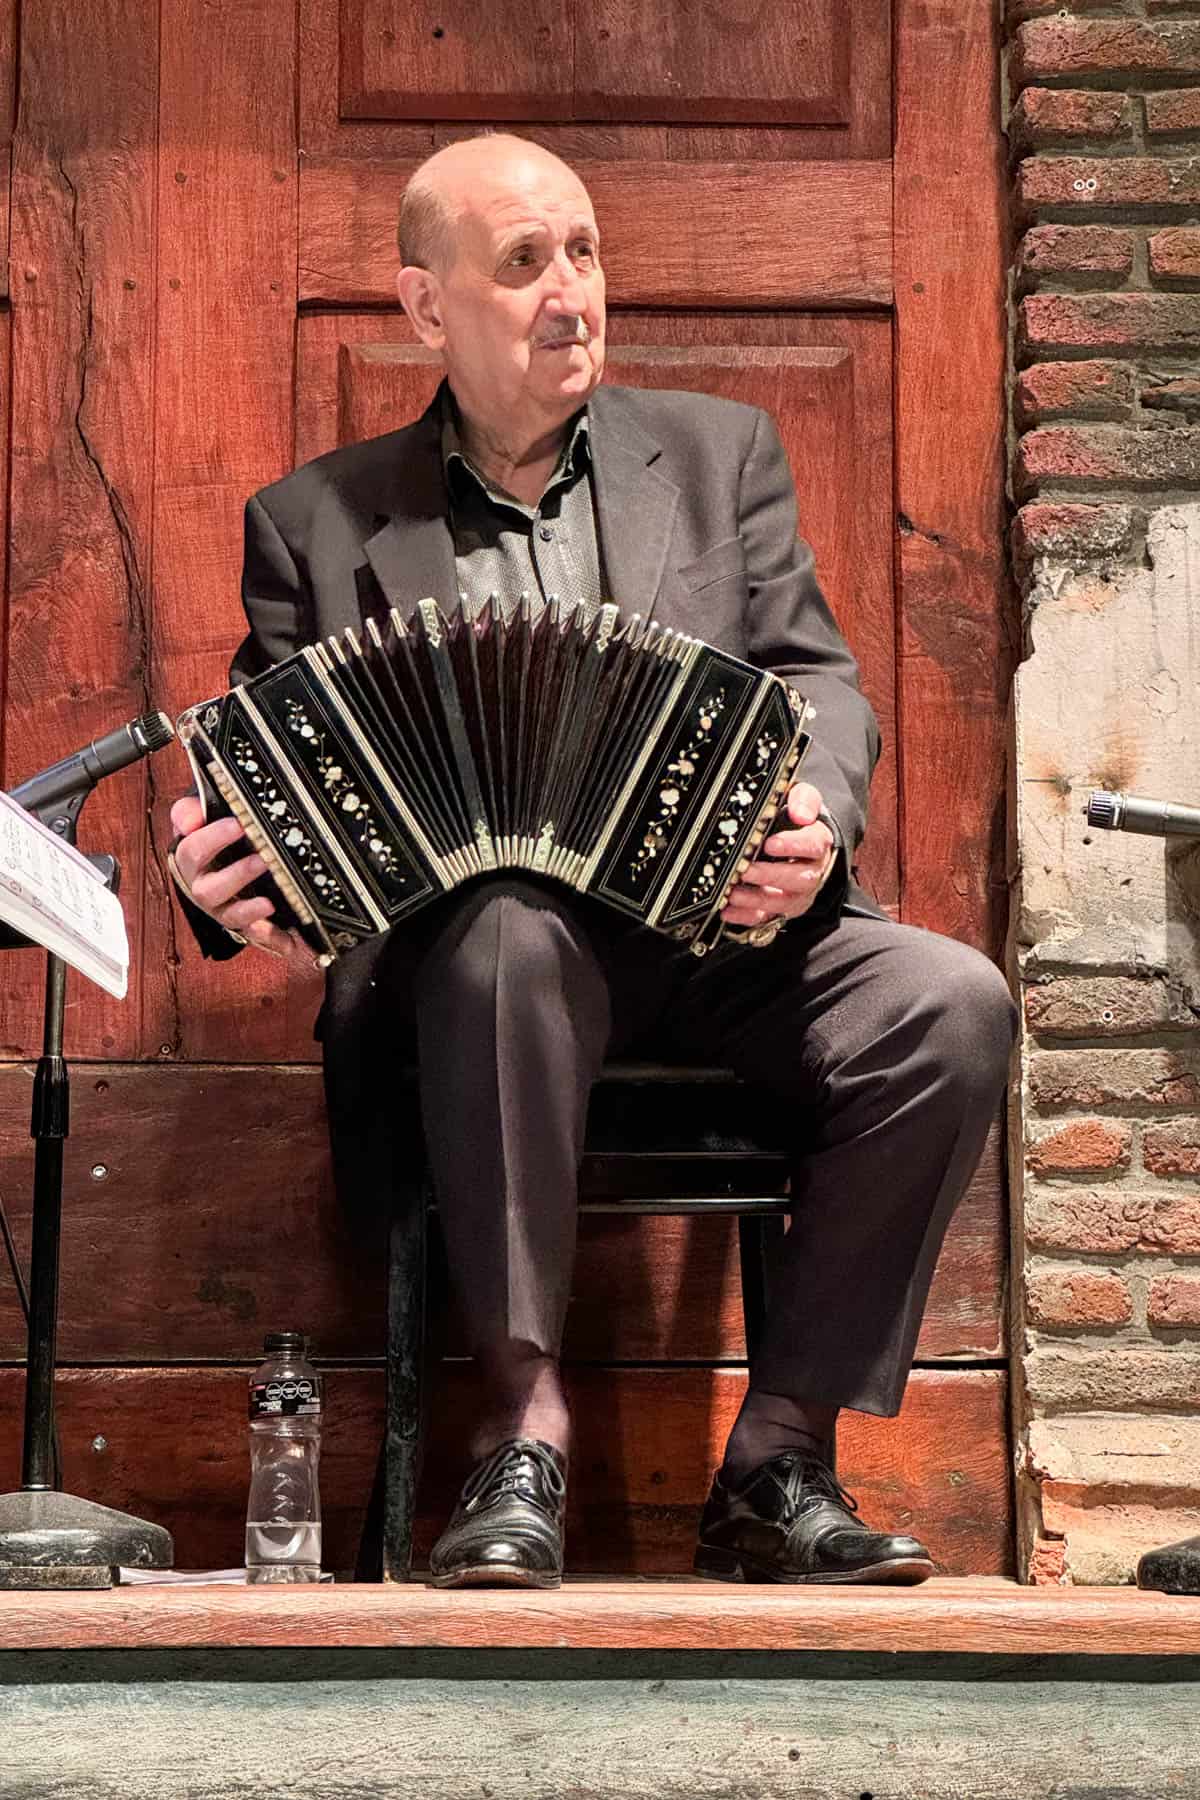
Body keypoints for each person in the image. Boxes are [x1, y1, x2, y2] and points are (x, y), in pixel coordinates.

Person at [170, 133, 1016, 1590]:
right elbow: (269, 776)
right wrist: (223, 878)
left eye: (584, 251)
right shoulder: (313, 522)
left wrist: (813, 822)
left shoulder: (719, 452)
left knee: (952, 1005)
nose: (572, 293)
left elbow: (815, 680)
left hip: (721, 932)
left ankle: (779, 1461)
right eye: (523, 263)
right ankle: (523, 1432)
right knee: (506, 923)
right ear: (425, 307)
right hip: (483, 980)